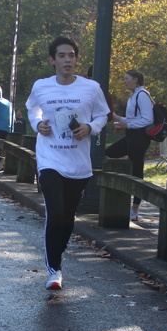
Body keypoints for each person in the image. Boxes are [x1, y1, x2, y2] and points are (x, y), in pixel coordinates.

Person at [26, 36, 109, 292]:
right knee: (56, 212)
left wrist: (90, 128)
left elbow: (103, 115)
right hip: (49, 159)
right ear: (52, 60)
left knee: (68, 217)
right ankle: (54, 270)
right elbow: (32, 109)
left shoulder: (91, 88)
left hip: (78, 163)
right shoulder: (41, 86)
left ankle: (58, 252)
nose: (67, 60)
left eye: (71, 55)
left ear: (76, 59)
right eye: (62, 56)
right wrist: (37, 124)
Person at [104, 69, 154, 222]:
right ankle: (116, 197)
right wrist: (119, 119)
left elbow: (148, 119)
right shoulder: (133, 96)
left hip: (140, 137)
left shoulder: (142, 95)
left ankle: (135, 210)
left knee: (137, 170)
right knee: (108, 154)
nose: (124, 81)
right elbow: (134, 118)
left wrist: (128, 125)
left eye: (127, 78)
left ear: (136, 80)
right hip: (131, 136)